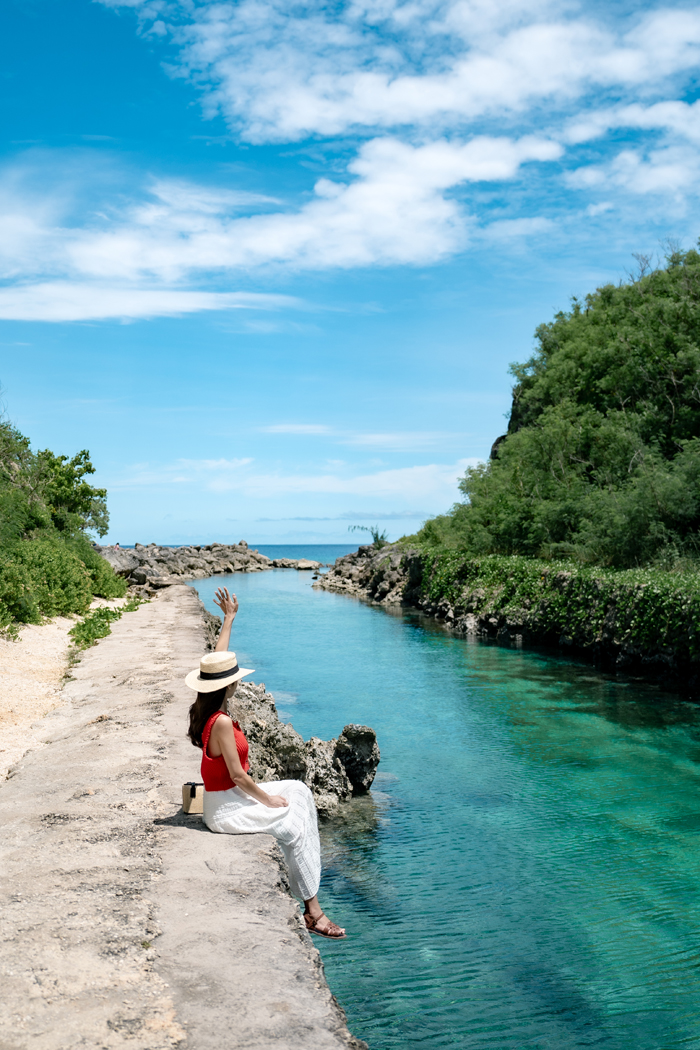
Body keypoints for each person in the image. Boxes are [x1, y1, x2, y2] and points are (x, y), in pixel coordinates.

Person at [185, 586, 346, 939]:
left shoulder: (210, 705)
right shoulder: (222, 722)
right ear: (229, 686)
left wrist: (228, 618)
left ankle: (308, 895)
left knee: (300, 791)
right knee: (292, 822)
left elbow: (218, 657)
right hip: (226, 809)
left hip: (227, 797)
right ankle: (312, 910)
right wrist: (268, 800)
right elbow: (239, 777)